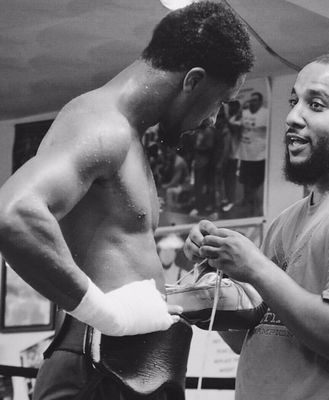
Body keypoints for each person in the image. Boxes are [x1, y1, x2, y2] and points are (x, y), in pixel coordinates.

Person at [0, 2, 254, 399]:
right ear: (193, 80)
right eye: (220, 101)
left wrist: (185, 288)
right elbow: (14, 214)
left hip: (137, 368)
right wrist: (106, 315)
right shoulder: (102, 126)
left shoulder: (128, 137)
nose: (213, 120)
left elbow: (116, 263)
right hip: (97, 369)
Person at [183, 53, 329, 399]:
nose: (292, 117)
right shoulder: (288, 220)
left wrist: (256, 267)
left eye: (315, 105)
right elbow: (254, 338)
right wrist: (214, 278)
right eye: (293, 102)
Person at [238, 91, 268, 216]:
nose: (252, 102)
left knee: (256, 181)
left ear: (260, 102)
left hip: (259, 154)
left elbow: (265, 129)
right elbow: (238, 125)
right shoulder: (244, 113)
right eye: (251, 100)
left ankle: (255, 204)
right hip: (245, 152)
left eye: (255, 100)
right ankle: (246, 200)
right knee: (245, 179)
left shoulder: (265, 113)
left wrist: (254, 129)